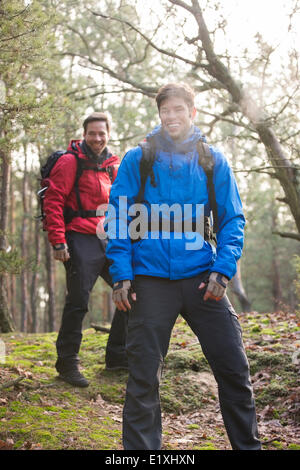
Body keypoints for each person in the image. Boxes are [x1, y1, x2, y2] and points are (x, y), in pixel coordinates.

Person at [105, 83, 261, 450]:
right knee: (143, 378)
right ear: (159, 114)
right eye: (165, 110)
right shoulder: (137, 159)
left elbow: (233, 219)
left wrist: (222, 270)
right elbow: (117, 219)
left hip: (202, 279)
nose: (171, 116)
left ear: (193, 112)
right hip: (149, 279)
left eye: (178, 109)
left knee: (234, 370)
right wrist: (121, 275)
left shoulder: (212, 159)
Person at [43, 112, 128, 388]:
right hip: (78, 236)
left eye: (101, 133)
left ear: (108, 134)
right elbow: (53, 201)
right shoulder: (70, 162)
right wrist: (58, 241)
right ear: (84, 134)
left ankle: (117, 356)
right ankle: (67, 363)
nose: (97, 138)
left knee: (130, 291)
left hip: (108, 237)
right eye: (92, 133)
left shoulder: (112, 166)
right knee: (79, 300)